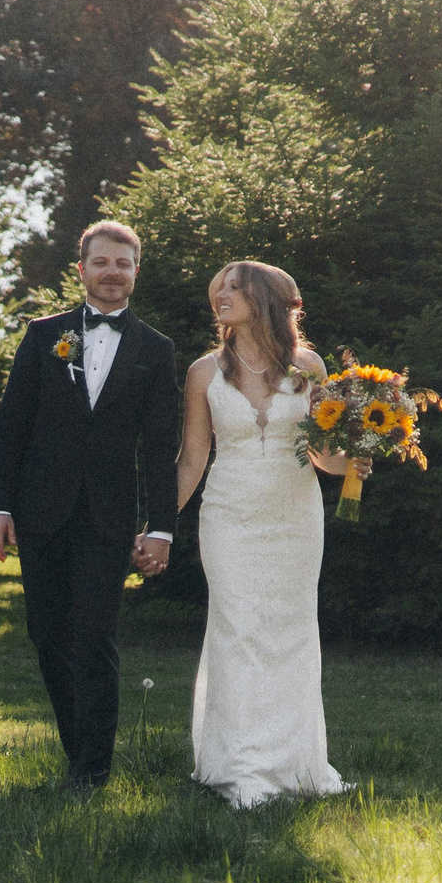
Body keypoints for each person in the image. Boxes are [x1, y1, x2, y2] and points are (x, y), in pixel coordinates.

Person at [142, 260, 353, 806]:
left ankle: (296, 766)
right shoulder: (204, 373)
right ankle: (240, 768)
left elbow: (324, 456)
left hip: (295, 518)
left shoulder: (309, 367)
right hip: (229, 517)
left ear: (265, 299)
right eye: (219, 289)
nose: (222, 296)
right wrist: (157, 527)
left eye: (234, 288)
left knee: (292, 631)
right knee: (237, 631)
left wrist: (357, 457)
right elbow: (192, 460)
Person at [0, 221, 180, 792]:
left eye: (123, 263)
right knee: (48, 636)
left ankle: (92, 771)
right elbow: (12, 427)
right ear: (82, 270)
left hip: (107, 517)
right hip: (40, 510)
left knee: (95, 637)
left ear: (136, 271)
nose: (112, 272)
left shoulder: (156, 350)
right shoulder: (44, 335)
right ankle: (79, 754)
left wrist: (161, 527)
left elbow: (160, 447)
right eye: (101, 262)